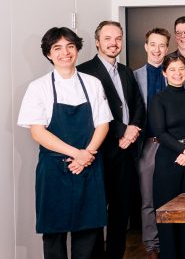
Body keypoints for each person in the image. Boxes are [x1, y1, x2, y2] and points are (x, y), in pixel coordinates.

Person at [18, 27, 112, 259]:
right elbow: (38, 132)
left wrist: (86, 154)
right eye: (57, 48)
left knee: (88, 232)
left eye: (70, 46)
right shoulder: (38, 87)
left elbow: (103, 124)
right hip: (54, 170)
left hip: (88, 165)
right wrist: (77, 154)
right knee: (54, 233)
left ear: (77, 49)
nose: (65, 52)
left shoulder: (92, 83)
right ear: (48, 54)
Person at [77, 20, 145, 259]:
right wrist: (122, 130)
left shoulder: (126, 71)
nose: (113, 43)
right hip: (99, 151)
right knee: (96, 209)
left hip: (125, 153)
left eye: (117, 38)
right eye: (107, 38)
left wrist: (133, 130)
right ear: (97, 42)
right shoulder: (84, 71)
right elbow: (90, 112)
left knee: (121, 210)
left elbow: (138, 105)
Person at [151, 53, 185, 259]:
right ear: (164, 73)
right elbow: (160, 132)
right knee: (168, 213)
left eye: (181, 69)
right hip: (169, 160)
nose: (177, 73)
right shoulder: (158, 99)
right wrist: (184, 151)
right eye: (172, 69)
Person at [133, 28, 171, 258]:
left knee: (171, 197)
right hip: (147, 145)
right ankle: (152, 245)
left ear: (167, 48)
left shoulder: (175, 73)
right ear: (146, 46)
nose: (157, 50)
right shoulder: (134, 76)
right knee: (147, 198)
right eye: (153, 45)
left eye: (162, 45)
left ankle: (170, 242)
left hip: (172, 146)